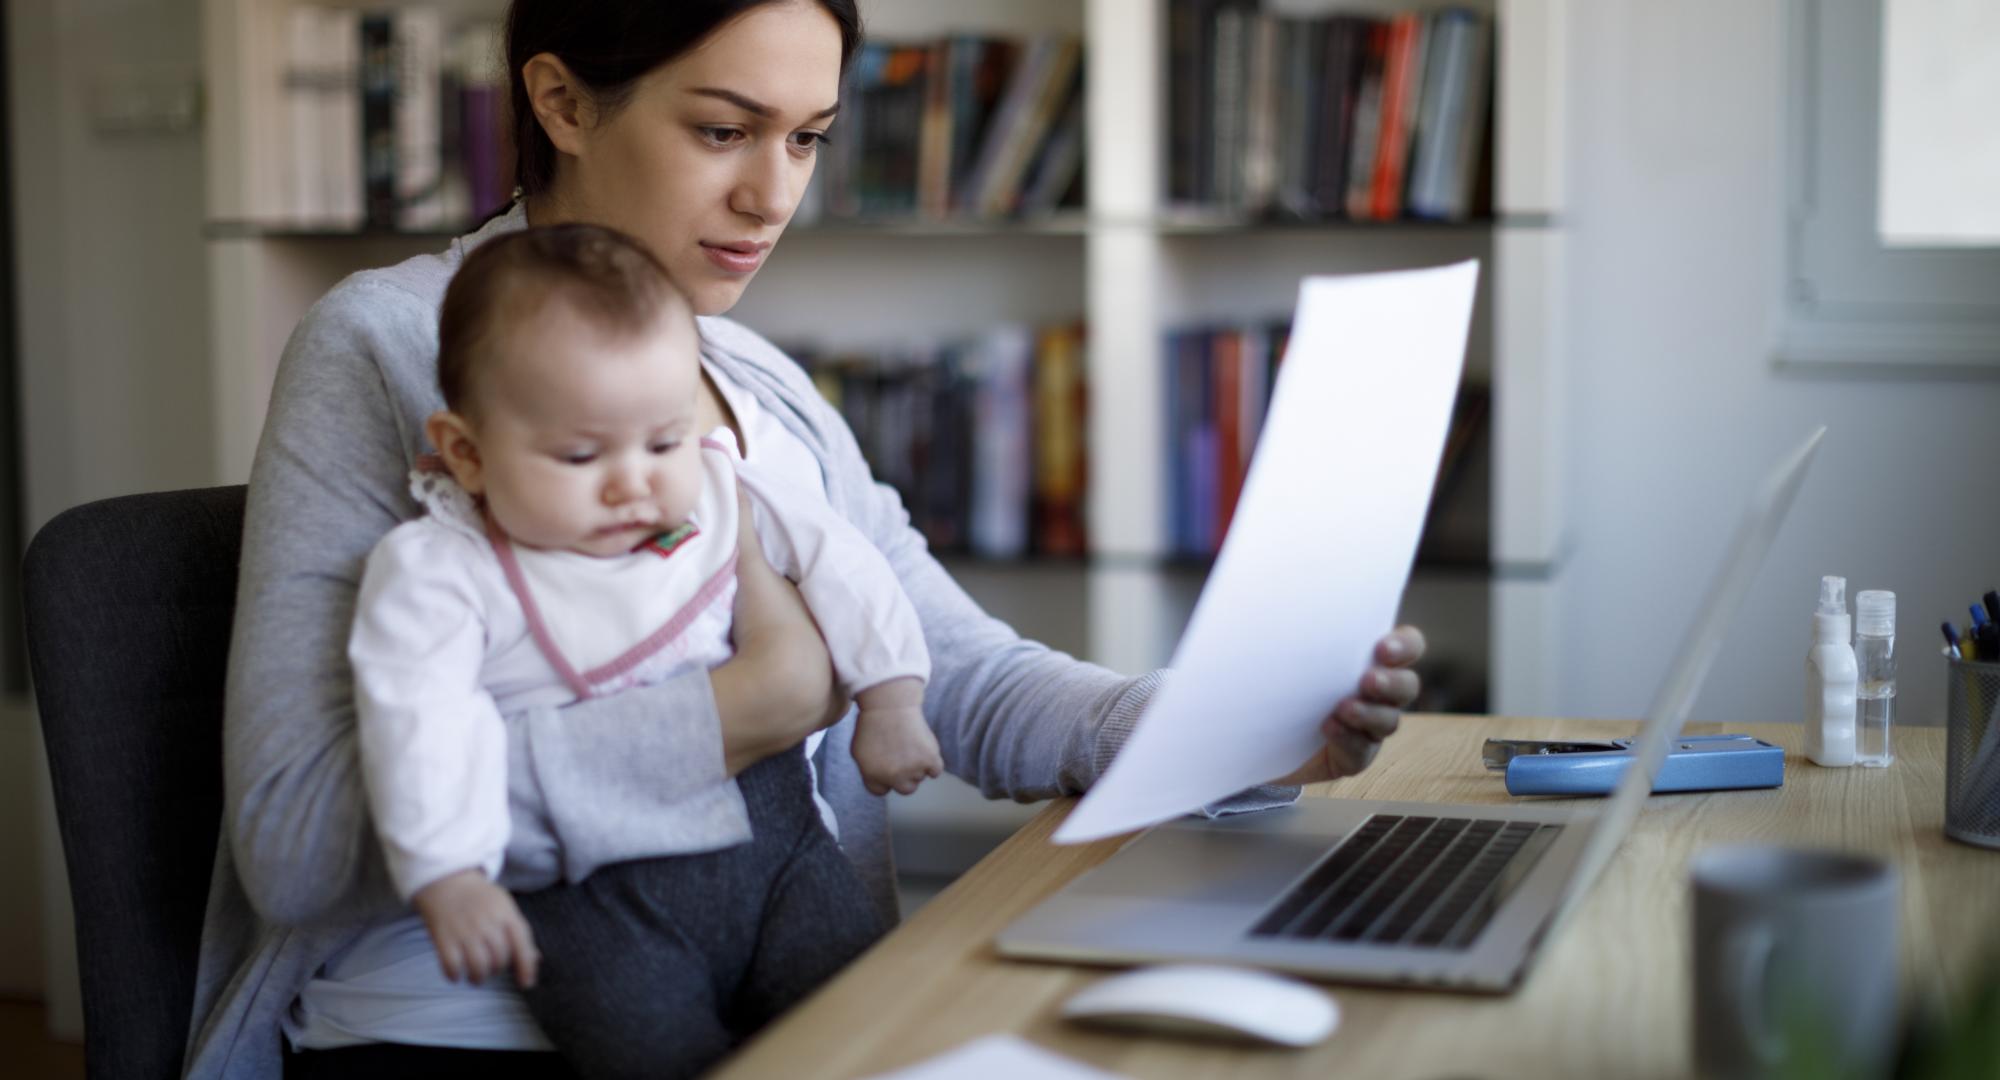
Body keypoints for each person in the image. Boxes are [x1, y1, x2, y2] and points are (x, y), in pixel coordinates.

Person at [186, 2, 1427, 1077]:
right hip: (464, 1033)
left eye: (806, 139)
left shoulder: (759, 377)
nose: (772, 194)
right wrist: (746, 707)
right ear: (561, 101)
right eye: (722, 130)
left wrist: (1235, 727)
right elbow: (295, 844)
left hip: (787, 996)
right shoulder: (388, 346)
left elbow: (963, 674)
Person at [349, 223, 940, 1078]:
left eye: (662, 440)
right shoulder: (442, 571)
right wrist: (448, 871)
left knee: (858, 1036)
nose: (636, 482)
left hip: (782, 862)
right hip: (591, 900)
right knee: (651, 1056)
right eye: (582, 455)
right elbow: (415, 718)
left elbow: (844, 563)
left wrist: (891, 695)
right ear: (468, 454)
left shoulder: (721, 490)